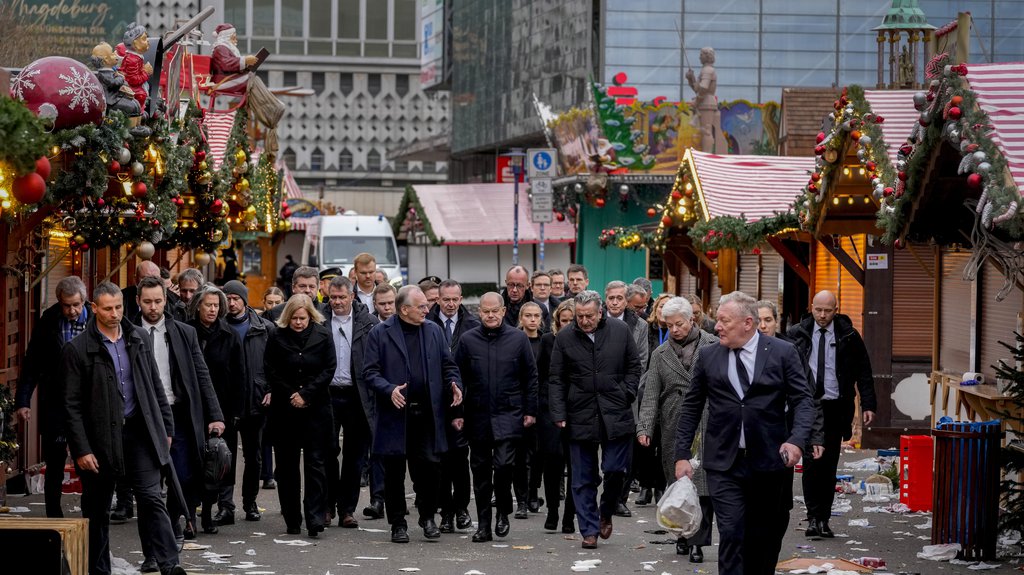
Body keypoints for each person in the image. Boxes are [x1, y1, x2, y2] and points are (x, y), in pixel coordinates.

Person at [675, 291, 816, 575]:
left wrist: (797, 440)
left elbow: (803, 400)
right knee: (732, 531)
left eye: (725, 321)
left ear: (748, 323)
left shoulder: (782, 352)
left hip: (769, 459)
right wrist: (681, 455)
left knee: (763, 534)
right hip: (723, 462)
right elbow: (691, 406)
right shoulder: (709, 356)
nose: (717, 326)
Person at [62, 281, 186, 575]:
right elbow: (70, 405)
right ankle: (98, 570)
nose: (115, 313)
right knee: (97, 508)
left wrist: (165, 429)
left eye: (118, 307)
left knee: (152, 497)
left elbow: (154, 386)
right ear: (94, 309)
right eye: (107, 308)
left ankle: (170, 566)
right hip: (99, 438)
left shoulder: (137, 336)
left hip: (139, 432)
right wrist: (81, 448)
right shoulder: (78, 349)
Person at [136, 276, 225, 570]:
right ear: (138, 302)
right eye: (147, 302)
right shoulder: (130, 334)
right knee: (149, 490)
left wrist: (215, 415)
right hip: (143, 420)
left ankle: (174, 526)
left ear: (166, 301)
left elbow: (202, 374)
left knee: (184, 479)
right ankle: (152, 551)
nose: (153, 307)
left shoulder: (183, 333)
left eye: (158, 301)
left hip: (179, 417)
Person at [362, 286, 463, 543]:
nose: (427, 310)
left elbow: (448, 364)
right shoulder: (380, 333)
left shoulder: (433, 330)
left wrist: (454, 383)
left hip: (428, 414)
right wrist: (389, 389)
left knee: (430, 468)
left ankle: (428, 517)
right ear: (404, 309)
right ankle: (398, 523)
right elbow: (370, 373)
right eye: (421, 307)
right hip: (395, 414)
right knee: (394, 472)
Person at [549, 290, 642, 549]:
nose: (584, 320)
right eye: (580, 316)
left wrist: (627, 392)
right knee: (581, 478)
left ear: (600, 312)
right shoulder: (565, 337)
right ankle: (589, 530)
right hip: (579, 412)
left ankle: (606, 511)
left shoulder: (620, 330)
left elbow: (634, 366)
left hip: (615, 411)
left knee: (615, 469)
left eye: (589, 315)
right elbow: (556, 378)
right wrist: (558, 413)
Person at [787, 290, 876, 539]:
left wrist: (868, 404)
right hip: (807, 406)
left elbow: (864, 370)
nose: (823, 315)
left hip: (836, 406)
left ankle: (824, 518)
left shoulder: (848, 334)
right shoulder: (798, 334)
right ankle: (814, 518)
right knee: (811, 464)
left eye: (828, 310)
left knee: (828, 465)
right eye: (818, 310)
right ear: (811, 308)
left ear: (836, 309)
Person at [636, 297, 718, 563]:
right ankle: (683, 535)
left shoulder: (713, 345)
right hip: (674, 423)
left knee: (702, 485)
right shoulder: (660, 354)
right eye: (669, 325)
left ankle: (698, 543)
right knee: (678, 483)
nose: (674, 330)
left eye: (679, 324)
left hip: (707, 421)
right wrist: (645, 427)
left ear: (691, 319)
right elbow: (650, 394)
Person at [454, 293, 538, 542]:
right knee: (480, 473)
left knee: (503, 467)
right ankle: (484, 526)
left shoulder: (518, 338)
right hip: (477, 415)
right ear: (479, 312)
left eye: (495, 311)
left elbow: (530, 378)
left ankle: (503, 509)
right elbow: (456, 379)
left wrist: (530, 411)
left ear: (503, 312)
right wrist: (457, 414)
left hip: (509, 414)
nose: (490, 315)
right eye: (485, 311)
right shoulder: (468, 340)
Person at [16, 276, 90, 518]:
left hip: (88, 403)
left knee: (89, 462)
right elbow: (32, 362)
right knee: (55, 461)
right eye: (66, 305)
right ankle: (53, 515)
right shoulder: (49, 320)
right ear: (59, 302)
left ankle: (91, 515)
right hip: (55, 402)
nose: (72, 310)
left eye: (76, 305)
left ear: (84, 301)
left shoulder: (96, 320)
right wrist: (23, 400)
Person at [757, 299, 825, 561]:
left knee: (780, 501)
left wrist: (814, 436)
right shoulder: (740, 351)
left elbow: (809, 397)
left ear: (777, 322)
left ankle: (771, 547)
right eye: (759, 320)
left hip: (784, 437)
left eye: (769, 320)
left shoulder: (789, 351)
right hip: (750, 439)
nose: (763, 326)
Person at [264, 294, 336, 537]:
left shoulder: (323, 335)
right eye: (294, 318)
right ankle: (292, 518)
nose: (298, 323)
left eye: (302, 318)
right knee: (287, 466)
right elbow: (270, 368)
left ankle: (315, 517)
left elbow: (329, 368)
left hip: (316, 408)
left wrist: (306, 394)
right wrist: (291, 393)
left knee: (316, 464)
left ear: (310, 317)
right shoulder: (276, 335)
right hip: (285, 409)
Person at [188, 285, 246, 532]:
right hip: (192, 408)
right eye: (207, 305)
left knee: (217, 463)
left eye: (216, 305)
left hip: (222, 410)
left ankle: (212, 513)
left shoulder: (229, 335)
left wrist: (235, 413)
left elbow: (239, 377)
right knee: (192, 463)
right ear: (198, 306)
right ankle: (190, 514)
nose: (212, 309)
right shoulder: (187, 331)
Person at [323, 276, 379, 529]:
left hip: (358, 396)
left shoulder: (369, 323)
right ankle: (326, 507)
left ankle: (347, 509)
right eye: (333, 298)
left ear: (352, 297)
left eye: (341, 297)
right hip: (327, 394)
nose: (337, 302)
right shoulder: (319, 319)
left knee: (355, 457)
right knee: (326, 453)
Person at [427, 279, 479, 532]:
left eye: (454, 299)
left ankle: (461, 509)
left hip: (463, 402)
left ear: (461, 299)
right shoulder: (427, 324)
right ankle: (445, 511)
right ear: (437, 299)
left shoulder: (472, 325)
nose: (450, 304)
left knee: (459, 459)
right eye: (445, 299)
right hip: (434, 402)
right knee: (439, 461)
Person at [222, 280, 275, 522]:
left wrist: (271, 389)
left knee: (253, 456)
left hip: (256, 400)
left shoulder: (264, 329)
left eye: (236, 298)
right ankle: (225, 505)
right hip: (228, 402)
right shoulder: (219, 328)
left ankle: (250, 502)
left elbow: (276, 364)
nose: (231, 303)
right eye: (228, 298)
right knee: (225, 455)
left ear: (244, 300)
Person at [537, 300, 577, 533]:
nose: (569, 325)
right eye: (564, 321)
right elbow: (541, 375)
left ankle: (569, 517)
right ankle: (552, 511)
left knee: (576, 467)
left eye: (572, 320)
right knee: (551, 465)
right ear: (557, 322)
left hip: (577, 410)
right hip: (550, 409)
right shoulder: (548, 341)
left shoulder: (585, 343)